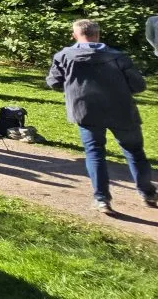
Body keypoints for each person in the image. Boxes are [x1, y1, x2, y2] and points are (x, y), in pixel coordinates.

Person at [46, 19, 157, 214]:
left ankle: (102, 199)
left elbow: (54, 82)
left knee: (95, 153)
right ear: (98, 34)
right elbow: (138, 85)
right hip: (121, 110)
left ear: (75, 35)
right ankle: (147, 192)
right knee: (134, 152)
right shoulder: (117, 56)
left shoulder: (64, 55)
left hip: (86, 111)